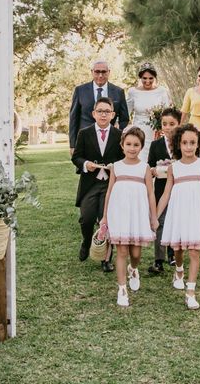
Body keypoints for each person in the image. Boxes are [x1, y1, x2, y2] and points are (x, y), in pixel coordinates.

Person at [157, 124, 200, 310]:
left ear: (198, 143)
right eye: (184, 143)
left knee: (194, 251)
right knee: (178, 248)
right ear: (178, 144)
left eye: (192, 142)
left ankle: (190, 292)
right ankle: (179, 270)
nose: (189, 147)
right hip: (179, 212)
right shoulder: (173, 168)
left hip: (197, 212)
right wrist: (155, 216)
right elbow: (166, 194)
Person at [98, 127, 158, 307]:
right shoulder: (116, 166)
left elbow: (150, 194)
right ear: (122, 145)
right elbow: (109, 192)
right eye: (129, 144)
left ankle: (134, 268)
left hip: (138, 214)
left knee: (136, 253)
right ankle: (122, 289)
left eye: (136, 145)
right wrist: (105, 217)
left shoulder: (145, 167)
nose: (132, 148)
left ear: (141, 147)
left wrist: (153, 217)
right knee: (122, 251)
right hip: (119, 213)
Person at [71, 97, 125, 272]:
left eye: (107, 112)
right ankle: (87, 242)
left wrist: (115, 167)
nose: (103, 114)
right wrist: (86, 164)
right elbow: (76, 157)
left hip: (110, 184)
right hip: (90, 184)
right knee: (86, 218)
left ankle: (106, 258)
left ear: (113, 115)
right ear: (94, 114)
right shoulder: (84, 133)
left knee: (106, 220)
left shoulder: (119, 135)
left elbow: (124, 158)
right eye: (100, 111)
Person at [146, 107, 181, 274]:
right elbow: (150, 166)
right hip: (160, 188)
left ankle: (172, 253)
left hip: (179, 189)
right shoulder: (155, 145)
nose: (168, 127)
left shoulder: (184, 143)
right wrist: (155, 170)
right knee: (160, 221)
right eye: (165, 124)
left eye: (172, 124)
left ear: (179, 124)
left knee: (175, 221)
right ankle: (158, 259)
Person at [69, 60, 129, 154]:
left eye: (104, 72)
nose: (100, 75)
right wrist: (72, 145)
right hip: (85, 141)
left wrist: (118, 136)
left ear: (109, 72)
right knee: (84, 168)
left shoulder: (118, 92)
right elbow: (73, 119)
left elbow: (124, 119)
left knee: (109, 168)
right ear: (92, 72)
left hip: (110, 142)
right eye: (97, 72)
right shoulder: (80, 90)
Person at [126, 63, 171, 162]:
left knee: (155, 158)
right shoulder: (132, 92)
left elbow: (167, 113)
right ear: (140, 78)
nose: (147, 81)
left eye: (150, 78)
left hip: (156, 131)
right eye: (144, 78)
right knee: (140, 157)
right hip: (138, 129)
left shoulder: (162, 91)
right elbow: (126, 113)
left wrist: (162, 128)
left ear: (155, 78)